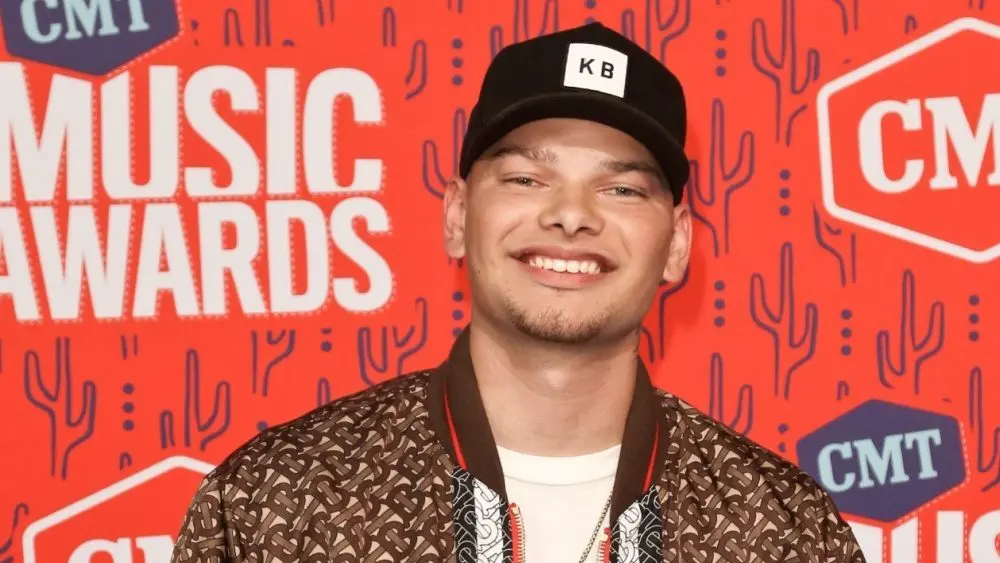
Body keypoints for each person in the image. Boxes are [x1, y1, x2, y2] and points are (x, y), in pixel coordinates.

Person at [170, 22, 867, 563]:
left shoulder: (781, 526)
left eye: (620, 187)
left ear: (677, 244)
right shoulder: (278, 502)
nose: (570, 214)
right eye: (527, 179)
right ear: (455, 215)